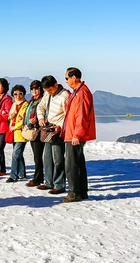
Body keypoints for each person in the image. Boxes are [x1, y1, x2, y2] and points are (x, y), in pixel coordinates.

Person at [61, 67, 96, 202]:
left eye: (67, 78)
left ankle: (74, 192)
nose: (66, 81)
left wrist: (77, 134)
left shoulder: (81, 93)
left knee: (71, 164)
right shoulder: (78, 92)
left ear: (74, 78)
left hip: (74, 135)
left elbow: (81, 116)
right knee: (78, 163)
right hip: (72, 133)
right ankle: (82, 191)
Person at [36, 75, 70, 194]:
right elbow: (40, 106)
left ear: (56, 84)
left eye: (50, 90)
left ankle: (59, 185)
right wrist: (40, 118)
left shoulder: (65, 96)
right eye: (46, 91)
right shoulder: (48, 94)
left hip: (58, 130)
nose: (49, 92)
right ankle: (48, 182)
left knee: (58, 158)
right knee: (47, 157)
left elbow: (68, 115)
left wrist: (60, 127)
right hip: (48, 129)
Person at [24, 80, 45, 187]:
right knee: (37, 156)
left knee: (38, 156)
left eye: (36, 88)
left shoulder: (42, 100)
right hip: (32, 130)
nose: (34, 90)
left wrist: (36, 120)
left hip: (39, 131)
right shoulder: (31, 101)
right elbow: (27, 114)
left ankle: (38, 178)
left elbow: (44, 114)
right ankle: (39, 176)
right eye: (32, 88)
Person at [6, 85, 28, 183]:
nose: (18, 96)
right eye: (15, 94)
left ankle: (13, 175)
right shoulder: (14, 104)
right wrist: (12, 115)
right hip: (14, 133)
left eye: (20, 94)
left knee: (15, 154)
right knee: (19, 154)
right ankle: (21, 174)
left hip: (21, 133)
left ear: (24, 94)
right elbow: (9, 117)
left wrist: (14, 127)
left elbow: (24, 119)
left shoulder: (26, 105)